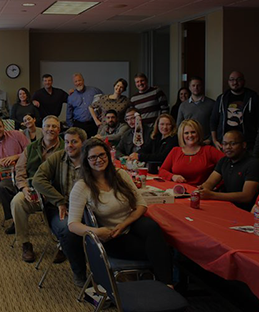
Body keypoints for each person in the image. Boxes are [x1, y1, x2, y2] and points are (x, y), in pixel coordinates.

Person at [68, 139, 174, 286]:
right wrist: (96, 232)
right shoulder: (82, 186)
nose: (99, 160)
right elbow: (72, 225)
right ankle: (165, 284)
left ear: (108, 155)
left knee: (152, 228)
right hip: (111, 235)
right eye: (93, 157)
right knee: (162, 250)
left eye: (102, 155)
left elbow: (141, 205)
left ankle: (166, 284)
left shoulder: (120, 175)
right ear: (86, 161)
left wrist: (124, 224)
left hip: (129, 224)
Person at [31, 128, 89, 286]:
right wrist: (59, 201)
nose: (69, 145)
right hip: (60, 209)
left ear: (83, 143)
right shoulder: (57, 157)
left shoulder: (90, 159)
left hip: (87, 209)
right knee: (68, 231)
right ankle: (80, 273)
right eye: (67, 142)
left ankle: (107, 272)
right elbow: (37, 180)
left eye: (74, 142)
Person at [11, 116, 66, 263]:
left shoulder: (66, 148)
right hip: (34, 192)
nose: (50, 129)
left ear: (59, 130)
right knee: (17, 202)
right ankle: (25, 243)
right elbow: (20, 170)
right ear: (42, 128)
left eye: (54, 127)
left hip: (57, 194)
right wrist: (23, 188)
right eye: (47, 126)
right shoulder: (31, 148)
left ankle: (64, 246)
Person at [198, 131, 259, 211]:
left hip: (245, 211)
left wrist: (212, 195)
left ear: (243, 145)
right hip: (225, 207)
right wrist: (203, 189)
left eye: (232, 144)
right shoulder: (223, 161)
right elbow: (210, 182)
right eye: (225, 144)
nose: (228, 147)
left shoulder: (254, 164)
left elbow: (247, 196)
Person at [210, 71, 259, 151]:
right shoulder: (221, 98)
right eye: (232, 80)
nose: (235, 82)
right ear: (228, 82)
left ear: (243, 81)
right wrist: (214, 140)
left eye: (238, 79)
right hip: (225, 144)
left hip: (248, 144)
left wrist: (258, 143)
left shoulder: (253, 98)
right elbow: (213, 120)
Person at [159, 119, 224, 185]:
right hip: (176, 189)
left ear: (198, 133)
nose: (190, 135)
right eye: (186, 133)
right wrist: (173, 176)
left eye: (193, 132)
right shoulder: (175, 151)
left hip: (200, 190)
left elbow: (228, 165)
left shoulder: (209, 150)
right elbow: (162, 171)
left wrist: (214, 186)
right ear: (182, 135)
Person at [177, 77, 215, 142]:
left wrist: (210, 139)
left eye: (198, 85)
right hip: (188, 141)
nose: (196, 87)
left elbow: (215, 124)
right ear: (189, 87)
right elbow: (179, 126)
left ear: (202, 86)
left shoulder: (212, 104)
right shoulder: (183, 105)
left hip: (206, 141)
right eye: (193, 85)